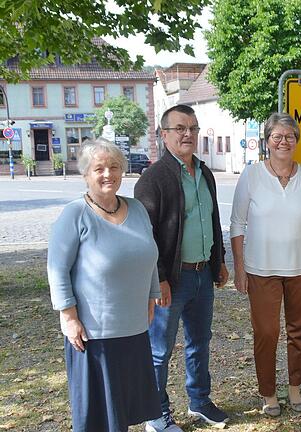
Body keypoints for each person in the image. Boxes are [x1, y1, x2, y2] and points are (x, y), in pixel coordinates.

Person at [48, 138, 162, 431]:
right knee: (99, 417)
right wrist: (68, 316)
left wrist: (152, 297)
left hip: (134, 329)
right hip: (95, 333)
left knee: (123, 411)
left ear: (123, 171)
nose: (108, 174)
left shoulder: (137, 209)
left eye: (114, 167)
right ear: (86, 174)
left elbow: (150, 254)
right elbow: (58, 268)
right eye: (99, 168)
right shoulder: (75, 214)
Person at [135, 104, 230, 431]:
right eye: (180, 128)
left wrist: (219, 261)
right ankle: (155, 414)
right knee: (159, 351)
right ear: (164, 135)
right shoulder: (153, 179)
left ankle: (199, 401)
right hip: (171, 282)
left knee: (200, 342)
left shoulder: (204, 172)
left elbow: (213, 221)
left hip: (203, 274)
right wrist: (158, 280)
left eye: (192, 127)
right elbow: (145, 237)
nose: (188, 133)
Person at [230, 112, 301, 417]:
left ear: (296, 142)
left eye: (289, 136)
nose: (283, 141)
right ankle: (268, 392)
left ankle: (295, 388)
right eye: (277, 136)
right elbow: (237, 224)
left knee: (299, 332)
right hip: (261, 269)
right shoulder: (252, 175)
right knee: (266, 332)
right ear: (267, 142)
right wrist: (239, 267)